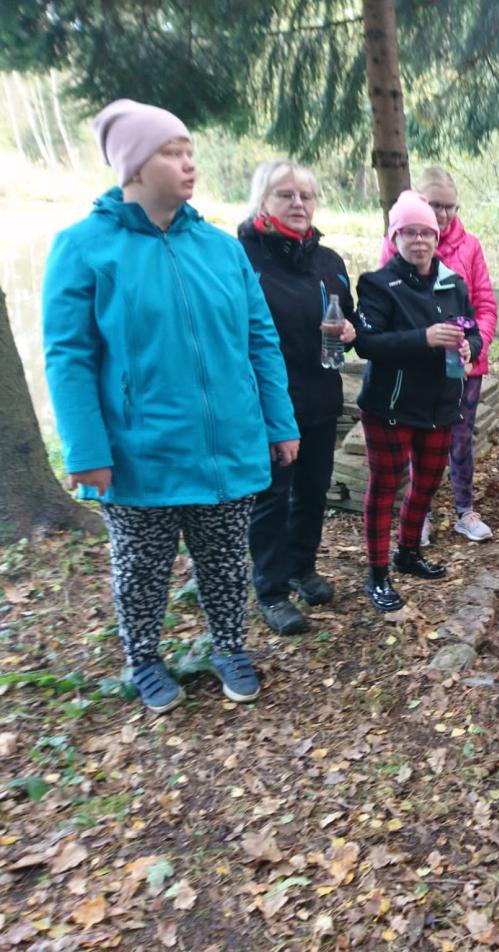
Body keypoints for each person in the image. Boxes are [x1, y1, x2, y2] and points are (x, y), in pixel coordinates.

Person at [42, 99, 298, 713]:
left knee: (225, 561)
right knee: (141, 570)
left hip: (227, 445)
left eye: (189, 151)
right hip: (141, 454)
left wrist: (278, 421)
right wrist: (86, 451)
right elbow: (69, 358)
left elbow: (259, 339)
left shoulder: (221, 249)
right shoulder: (83, 248)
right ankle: (144, 659)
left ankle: (230, 648)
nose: (188, 164)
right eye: (171, 152)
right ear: (133, 166)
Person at [238, 160, 356, 634]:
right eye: (285, 195)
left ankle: (302, 568)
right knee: (271, 498)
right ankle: (271, 591)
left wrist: (349, 331)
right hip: (267, 402)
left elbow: (349, 321)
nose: (298, 204)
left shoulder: (328, 261)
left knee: (312, 489)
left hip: (320, 395)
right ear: (262, 201)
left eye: (306, 195)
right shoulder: (242, 257)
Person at [353, 192, 482, 611]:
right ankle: (377, 574)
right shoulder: (377, 284)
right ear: (395, 237)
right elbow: (367, 344)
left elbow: (471, 328)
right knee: (385, 488)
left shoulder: (452, 283)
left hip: (440, 404)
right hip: (390, 407)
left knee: (427, 484)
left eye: (426, 232)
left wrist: (471, 347)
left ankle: (408, 552)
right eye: (409, 232)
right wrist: (424, 338)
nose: (419, 240)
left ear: (437, 236)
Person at [418, 166, 499, 543]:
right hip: (420, 363)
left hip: (465, 364)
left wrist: (475, 345)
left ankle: (465, 511)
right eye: (435, 205)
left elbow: (486, 305)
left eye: (450, 206)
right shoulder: (404, 239)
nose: (443, 214)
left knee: (461, 437)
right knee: (420, 438)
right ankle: (420, 513)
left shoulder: (470, 246)